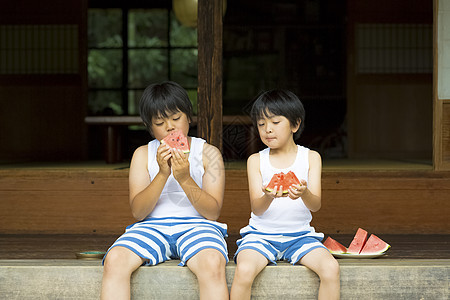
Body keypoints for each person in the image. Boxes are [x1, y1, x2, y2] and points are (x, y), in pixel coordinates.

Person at [101, 81, 229, 300]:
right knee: (115, 260)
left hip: (198, 226)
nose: (170, 127)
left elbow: (212, 213)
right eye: (160, 122)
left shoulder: (209, 153)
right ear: (151, 127)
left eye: (176, 118)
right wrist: (162, 174)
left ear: (189, 116)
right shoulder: (142, 154)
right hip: (152, 227)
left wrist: (185, 178)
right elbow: (139, 212)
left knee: (212, 262)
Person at [230, 89, 340, 300]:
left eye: (275, 122)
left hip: (300, 236)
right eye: (261, 124)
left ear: (295, 124)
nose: (267, 130)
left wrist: (304, 193)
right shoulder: (255, 160)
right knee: (244, 271)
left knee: (330, 268)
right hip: (260, 236)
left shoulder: (311, 157)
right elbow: (257, 208)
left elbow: (315, 205)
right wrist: (269, 195)